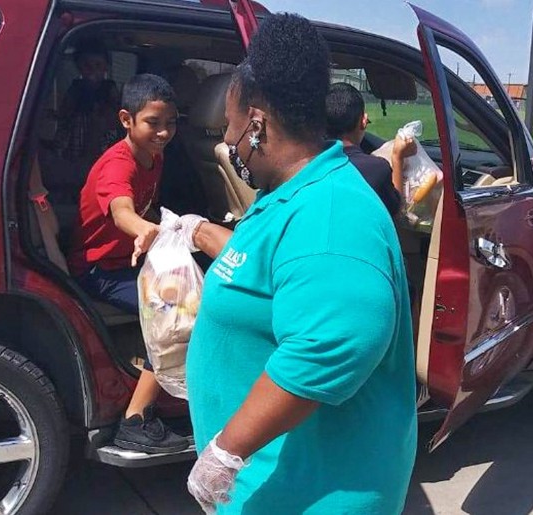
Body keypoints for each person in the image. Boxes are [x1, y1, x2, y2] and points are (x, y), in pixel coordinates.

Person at [179, 13, 417, 514]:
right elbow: (264, 269)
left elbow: (334, 341)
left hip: (313, 495)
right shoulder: (287, 195)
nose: (227, 141)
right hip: (273, 486)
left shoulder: (331, 215)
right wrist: (197, 231)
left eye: (230, 126)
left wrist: (227, 452)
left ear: (257, 123)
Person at [67, 73, 189, 454]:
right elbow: (122, 209)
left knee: (190, 294)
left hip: (130, 260)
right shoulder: (117, 165)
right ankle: (135, 421)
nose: (164, 133)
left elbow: (140, 206)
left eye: (171, 123)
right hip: (99, 269)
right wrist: (142, 230)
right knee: (176, 316)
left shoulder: (154, 153)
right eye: (153, 123)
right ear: (126, 120)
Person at [326, 82, 416, 217]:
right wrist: (398, 157)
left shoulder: (308, 164)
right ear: (363, 121)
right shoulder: (376, 168)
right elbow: (396, 211)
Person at [55, 39, 123, 164]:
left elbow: (116, 121)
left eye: (98, 65)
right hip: (75, 148)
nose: (93, 71)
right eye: (87, 66)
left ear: (106, 67)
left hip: (102, 150)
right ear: (79, 67)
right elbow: (64, 116)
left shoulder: (109, 89)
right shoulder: (75, 89)